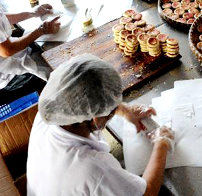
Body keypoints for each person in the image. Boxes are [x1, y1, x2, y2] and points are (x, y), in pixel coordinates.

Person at [27, 54, 175, 196]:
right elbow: (147, 193)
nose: (113, 110)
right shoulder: (94, 169)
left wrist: (125, 110)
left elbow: (84, 101)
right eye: (111, 108)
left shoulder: (49, 113)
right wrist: (161, 143)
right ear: (96, 118)